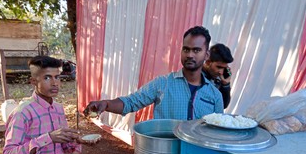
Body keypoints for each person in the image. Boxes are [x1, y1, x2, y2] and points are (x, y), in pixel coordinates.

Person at [84, 26, 223, 121]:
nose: (190, 55)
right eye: (186, 49)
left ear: (207, 55)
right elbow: (131, 102)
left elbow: (217, 130)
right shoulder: (163, 84)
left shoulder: (215, 95)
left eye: (196, 50)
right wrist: (106, 104)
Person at [202, 43, 234, 109]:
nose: (221, 72)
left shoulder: (218, 77)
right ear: (208, 62)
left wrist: (226, 84)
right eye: (219, 67)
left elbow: (223, 105)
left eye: (224, 68)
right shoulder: (195, 75)